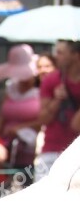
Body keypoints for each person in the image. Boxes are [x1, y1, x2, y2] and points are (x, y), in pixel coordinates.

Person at [35, 39, 80, 180]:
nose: (56, 57)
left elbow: (75, 125)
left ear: (75, 55)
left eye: (61, 53)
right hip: (51, 150)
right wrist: (57, 100)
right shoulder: (51, 80)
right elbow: (42, 119)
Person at [0, 44, 41, 168]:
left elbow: (45, 119)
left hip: (32, 151)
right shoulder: (10, 88)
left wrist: (20, 128)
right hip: (8, 149)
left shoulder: (41, 91)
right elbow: (2, 116)